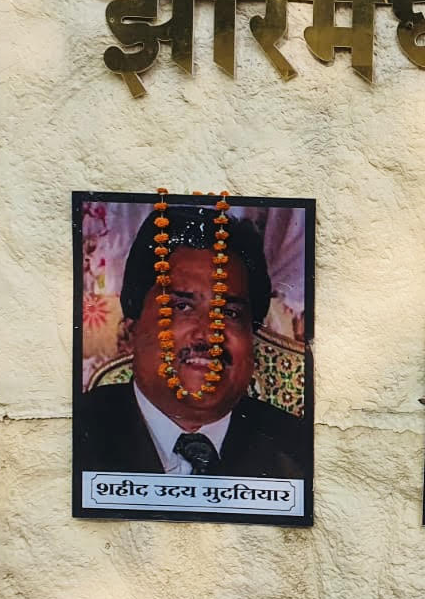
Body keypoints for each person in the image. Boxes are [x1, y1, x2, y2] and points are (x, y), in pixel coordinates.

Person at [74, 205, 308, 479]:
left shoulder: (299, 450)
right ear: (132, 329)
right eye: (182, 307)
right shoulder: (75, 434)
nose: (209, 334)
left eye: (230, 313)